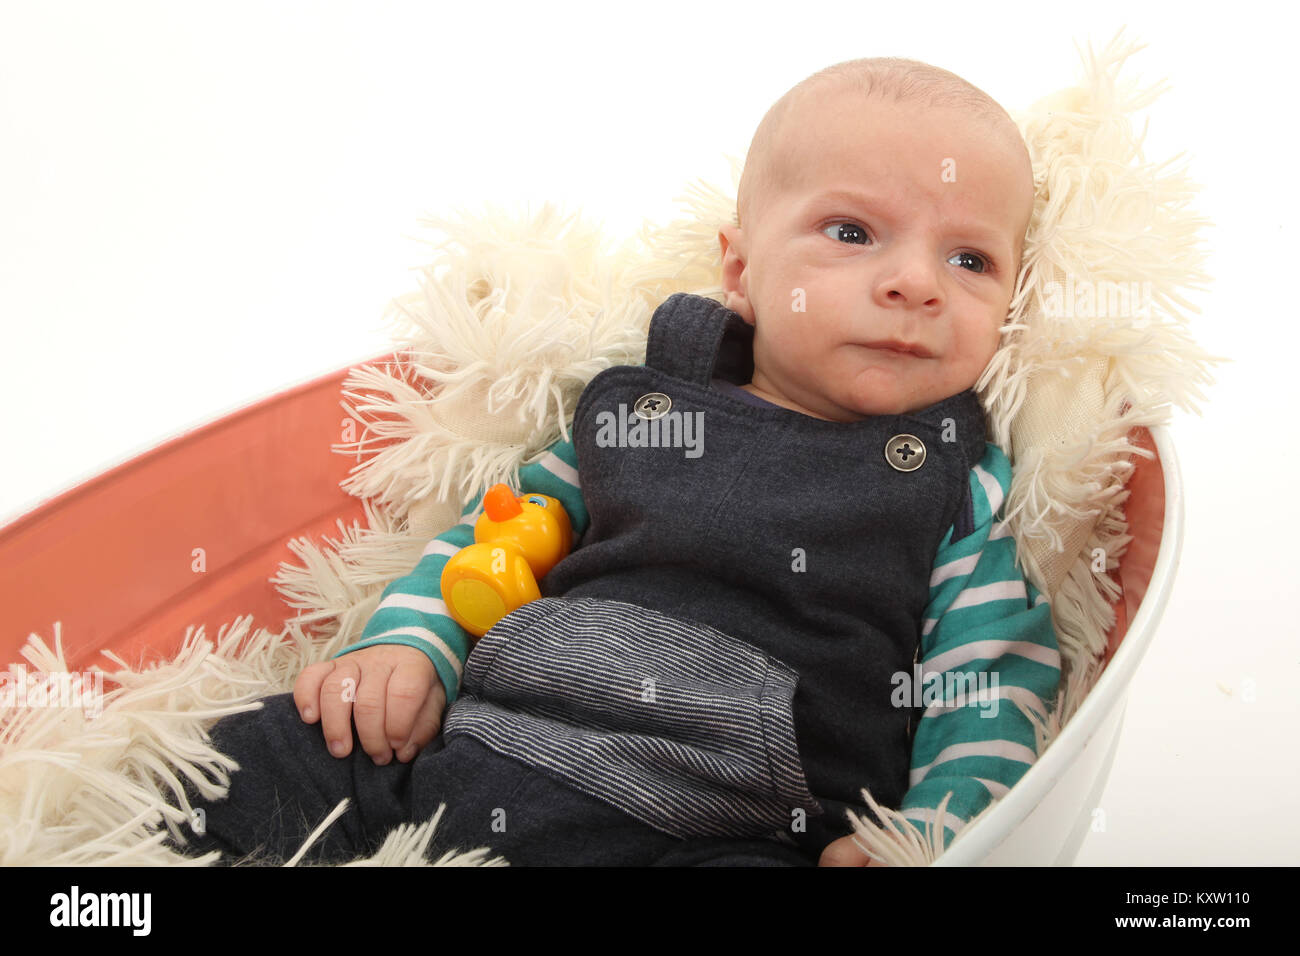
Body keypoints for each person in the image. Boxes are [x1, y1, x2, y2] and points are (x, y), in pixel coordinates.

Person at [176, 56, 1061, 867]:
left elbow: (986, 680)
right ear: (743, 269)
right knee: (252, 758)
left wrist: (928, 833)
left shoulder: (953, 479)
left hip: (724, 824)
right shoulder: (644, 408)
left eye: (970, 258)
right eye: (852, 232)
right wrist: (409, 651)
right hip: (480, 755)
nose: (917, 283)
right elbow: (488, 546)